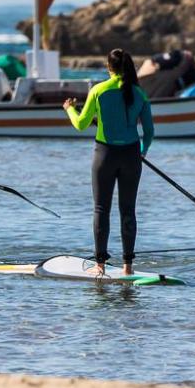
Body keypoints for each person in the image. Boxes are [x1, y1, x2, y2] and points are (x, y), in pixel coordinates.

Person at [63, 48, 155, 276]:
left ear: (109, 68)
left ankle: (100, 265)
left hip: (105, 156)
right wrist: (142, 151)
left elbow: (81, 124)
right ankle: (128, 267)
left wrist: (70, 109)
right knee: (128, 210)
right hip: (132, 155)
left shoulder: (98, 90)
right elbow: (150, 132)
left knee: (101, 209)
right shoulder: (140, 94)